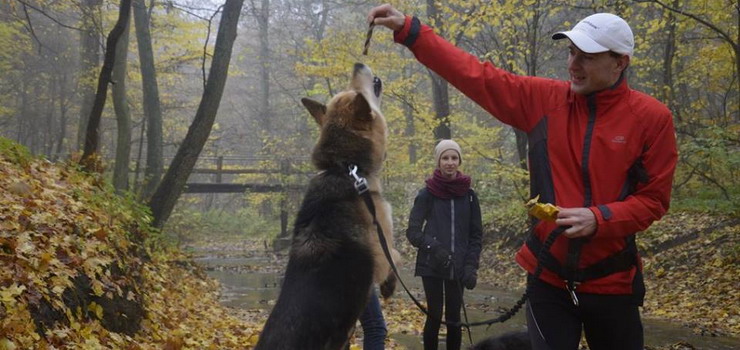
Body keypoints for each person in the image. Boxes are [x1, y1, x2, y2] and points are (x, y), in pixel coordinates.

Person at [368, 5, 678, 350]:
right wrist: (412, 32)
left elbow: (653, 200)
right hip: (548, 280)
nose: (573, 65)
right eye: (571, 52)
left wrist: (600, 217)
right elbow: (476, 76)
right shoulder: (544, 101)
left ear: (620, 62)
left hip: (613, 282)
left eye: (587, 56)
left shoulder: (652, 118)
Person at [406, 139, 483, 350]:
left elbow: (476, 236)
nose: (450, 162)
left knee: (454, 319)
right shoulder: (426, 194)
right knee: (434, 315)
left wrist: (470, 266)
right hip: (432, 265)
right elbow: (412, 232)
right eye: (445, 158)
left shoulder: (469, 196)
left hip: (458, 267)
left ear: (459, 161)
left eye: (454, 158)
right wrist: (435, 248)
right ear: (438, 162)